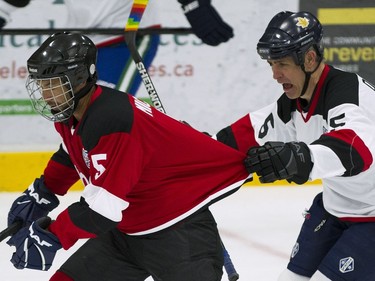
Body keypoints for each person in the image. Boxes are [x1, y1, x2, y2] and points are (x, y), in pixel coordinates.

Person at [6, 32, 250, 281]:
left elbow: (103, 209)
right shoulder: (73, 113)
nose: (45, 94)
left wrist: (54, 235)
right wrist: (44, 192)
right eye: (41, 85)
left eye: (52, 84)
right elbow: (72, 153)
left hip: (179, 234)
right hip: (126, 234)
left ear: (79, 79)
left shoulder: (112, 119)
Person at [214, 11, 375, 281]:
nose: (275, 74)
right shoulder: (291, 103)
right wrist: (193, 146)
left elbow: (355, 149)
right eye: (271, 65)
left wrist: (299, 157)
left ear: (310, 59)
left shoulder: (346, 93)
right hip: (334, 209)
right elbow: (237, 139)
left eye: (282, 64)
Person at [0, 0, 234, 96]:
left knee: (103, 109)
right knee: (77, 115)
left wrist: (194, 5)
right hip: (81, 42)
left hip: (128, 35)